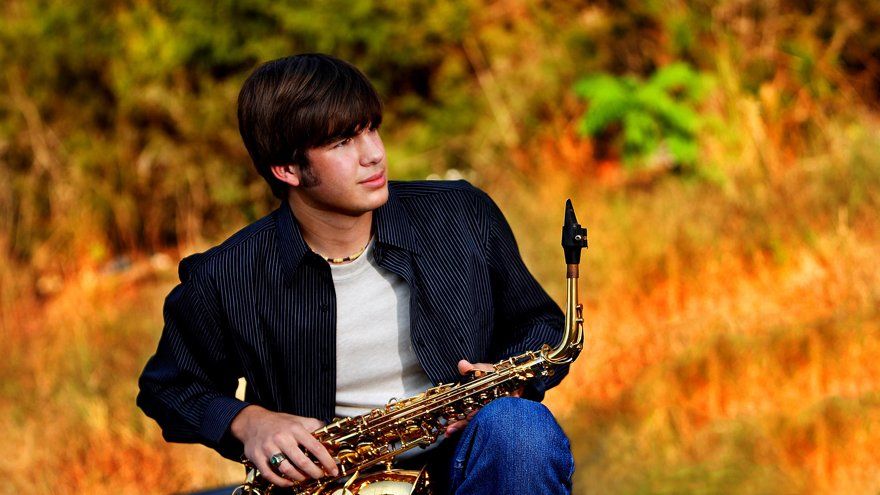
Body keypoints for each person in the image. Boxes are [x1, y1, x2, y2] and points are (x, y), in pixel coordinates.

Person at [137, 53, 574, 494]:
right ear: (287, 168)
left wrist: (505, 381)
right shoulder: (225, 277)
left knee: (520, 429)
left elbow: (538, 323)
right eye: (342, 142)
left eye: (371, 128)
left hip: (467, 463)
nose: (375, 154)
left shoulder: (461, 213)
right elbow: (168, 388)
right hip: (332, 483)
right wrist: (250, 423)